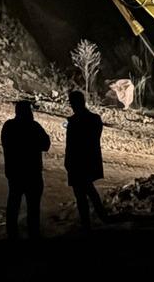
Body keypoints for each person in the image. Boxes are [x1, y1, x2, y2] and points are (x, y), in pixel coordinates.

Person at [0, 100, 51, 240]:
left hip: (15, 173)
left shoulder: (9, 126)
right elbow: (46, 144)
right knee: (33, 208)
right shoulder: (34, 126)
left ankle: (12, 236)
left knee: (13, 206)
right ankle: (33, 236)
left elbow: (6, 144)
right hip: (32, 173)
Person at [65, 91, 109, 230]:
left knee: (81, 193)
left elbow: (71, 145)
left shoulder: (73, 122)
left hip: (77, 161)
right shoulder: (95, 119)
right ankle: (101, 216)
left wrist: (68, 161)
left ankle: (88, 222)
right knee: (88, 189)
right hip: (89, 160)